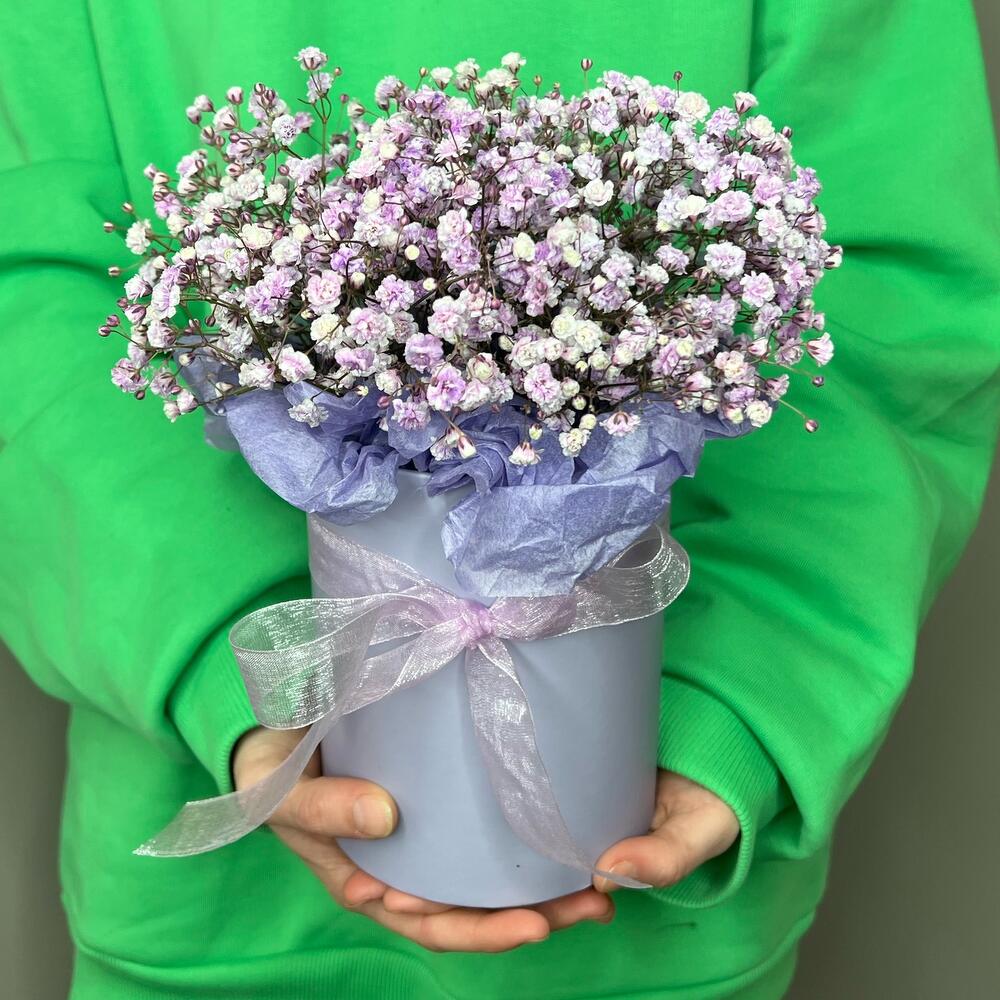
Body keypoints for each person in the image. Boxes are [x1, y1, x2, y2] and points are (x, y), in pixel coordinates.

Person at [1, 2, 997, 997]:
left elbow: (892, 314)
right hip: (215, 934)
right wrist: (253, 680)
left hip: (658, 936)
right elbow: (31, 304)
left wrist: (737, 705)